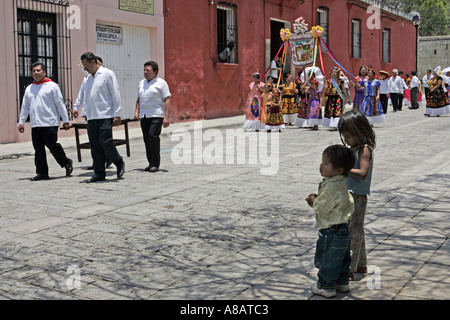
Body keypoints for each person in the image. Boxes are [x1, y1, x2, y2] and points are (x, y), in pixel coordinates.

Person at [305, 144, 355, 298]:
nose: (321, 165)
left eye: (326, 164)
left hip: (331, 231)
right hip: (343, 229)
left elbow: (323, 207)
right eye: (322, 161)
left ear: (339, 170)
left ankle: (326, 286)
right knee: (342, 258)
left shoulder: (332, 187)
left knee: (328, 259)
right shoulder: (339, 183)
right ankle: (342, 283)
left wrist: (314, 201)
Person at [338, 109, 376, 281]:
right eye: (344, 137)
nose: (347, 140)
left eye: (349, 136)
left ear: (360, 132)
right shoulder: (353, 148)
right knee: (356, 229)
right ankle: (361, 264)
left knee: (353, 231)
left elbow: (362, 173)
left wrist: (345, 170)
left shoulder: (364, 150)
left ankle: (350, 269)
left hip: (358, 196)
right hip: (349, 194)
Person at [18, 62, 73, 181]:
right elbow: (25, 106)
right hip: (36, 123)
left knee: (52, 145)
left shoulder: (52, 86)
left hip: (50, 122)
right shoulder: (29, 88)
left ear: (44, 72)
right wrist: (21, 122)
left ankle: (66, 162)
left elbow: (60, 103)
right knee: (38, 149)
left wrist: (66, 120)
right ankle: (42, 173)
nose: (36, 73)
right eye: (34, 71)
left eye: (38, 70)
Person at [75, 52, 125, 183]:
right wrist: (83, 112)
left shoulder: (107, 74)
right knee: (95, 145)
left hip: (105, 114)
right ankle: (99, 173)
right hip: (91, 116)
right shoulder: (88, 79)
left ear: (94, 62)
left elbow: (115, 93)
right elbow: (87, 98)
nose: (85, 69)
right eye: (83, 66)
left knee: (105, 141)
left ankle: (118, 161)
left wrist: (117, 113)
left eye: (86, 65)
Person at [134, 61, 172, 173]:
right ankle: (150, 162)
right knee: (146, 139)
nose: (145, 72)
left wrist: (167, 117)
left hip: (156, 114)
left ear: (155, 72)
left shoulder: (161, 83)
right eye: (144, 70)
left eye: (148, 70)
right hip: (144, 115)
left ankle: (156, 163)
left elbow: (167, 100)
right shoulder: (141, 83)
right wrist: (137, 111)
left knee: (153, 137)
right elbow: (139, 99)